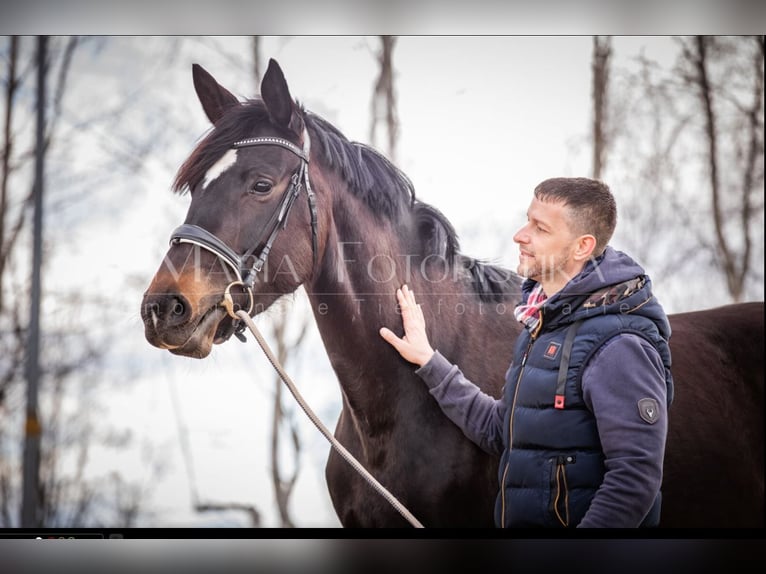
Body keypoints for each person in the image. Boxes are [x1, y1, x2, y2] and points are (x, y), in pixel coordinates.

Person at [379, 177, 673, 528]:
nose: (521, 234)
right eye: (527, 220)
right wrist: (429, 361)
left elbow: (634, 481)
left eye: (541, 228)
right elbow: (502, 431)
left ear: (582, 247)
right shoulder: (543, 325)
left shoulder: (620, 347)